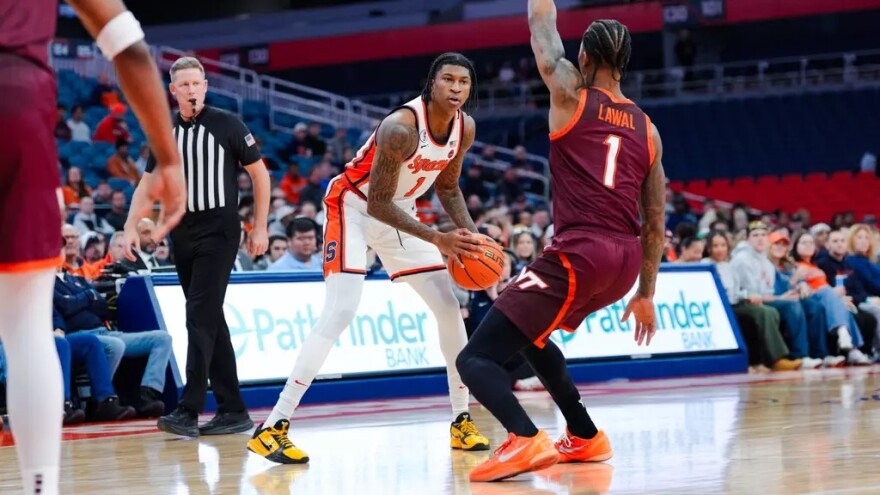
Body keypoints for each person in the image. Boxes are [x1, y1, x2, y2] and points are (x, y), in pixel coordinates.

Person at [457, 5, 667, 482]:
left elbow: (541, 26)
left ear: (585, 56)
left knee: (475, 357)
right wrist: (646, 293)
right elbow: (654, 220)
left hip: (581, 253)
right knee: (533, 333)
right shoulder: (649, 129)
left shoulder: (569, 91)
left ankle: (524, 439)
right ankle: (585, 434)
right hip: (626, 262)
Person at [248, 52, 490, 464]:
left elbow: (448, 188)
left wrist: (469, 236)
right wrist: (438, 238)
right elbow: (377, 203)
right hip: (354, 208)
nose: (456, 88)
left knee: (450, 308)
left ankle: (461, 421)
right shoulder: (400, 128)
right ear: (431, 83)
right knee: (341, 310)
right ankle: (273, 426)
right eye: (448, 79)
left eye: (463, 82)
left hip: (401, 211)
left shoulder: (463, 127)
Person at [0, 1, 185, 493]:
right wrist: (168, 158)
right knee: (28, 333)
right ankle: (40, 487)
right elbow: (127, 44)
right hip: (16, 100)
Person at [122, 56, 269, 438]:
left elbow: (260, 175)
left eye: (196, 84)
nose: (190, 90)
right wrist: (128, 226)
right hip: (183, 230)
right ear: (172, 91)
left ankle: (188, 409)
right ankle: (234, 409)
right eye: (183, 85)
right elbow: (148, 182)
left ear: (206, 86)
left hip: (220, 229)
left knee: (199, 317)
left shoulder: (228, 124)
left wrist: (260, 228)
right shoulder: (164, 130)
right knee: (209, 319)